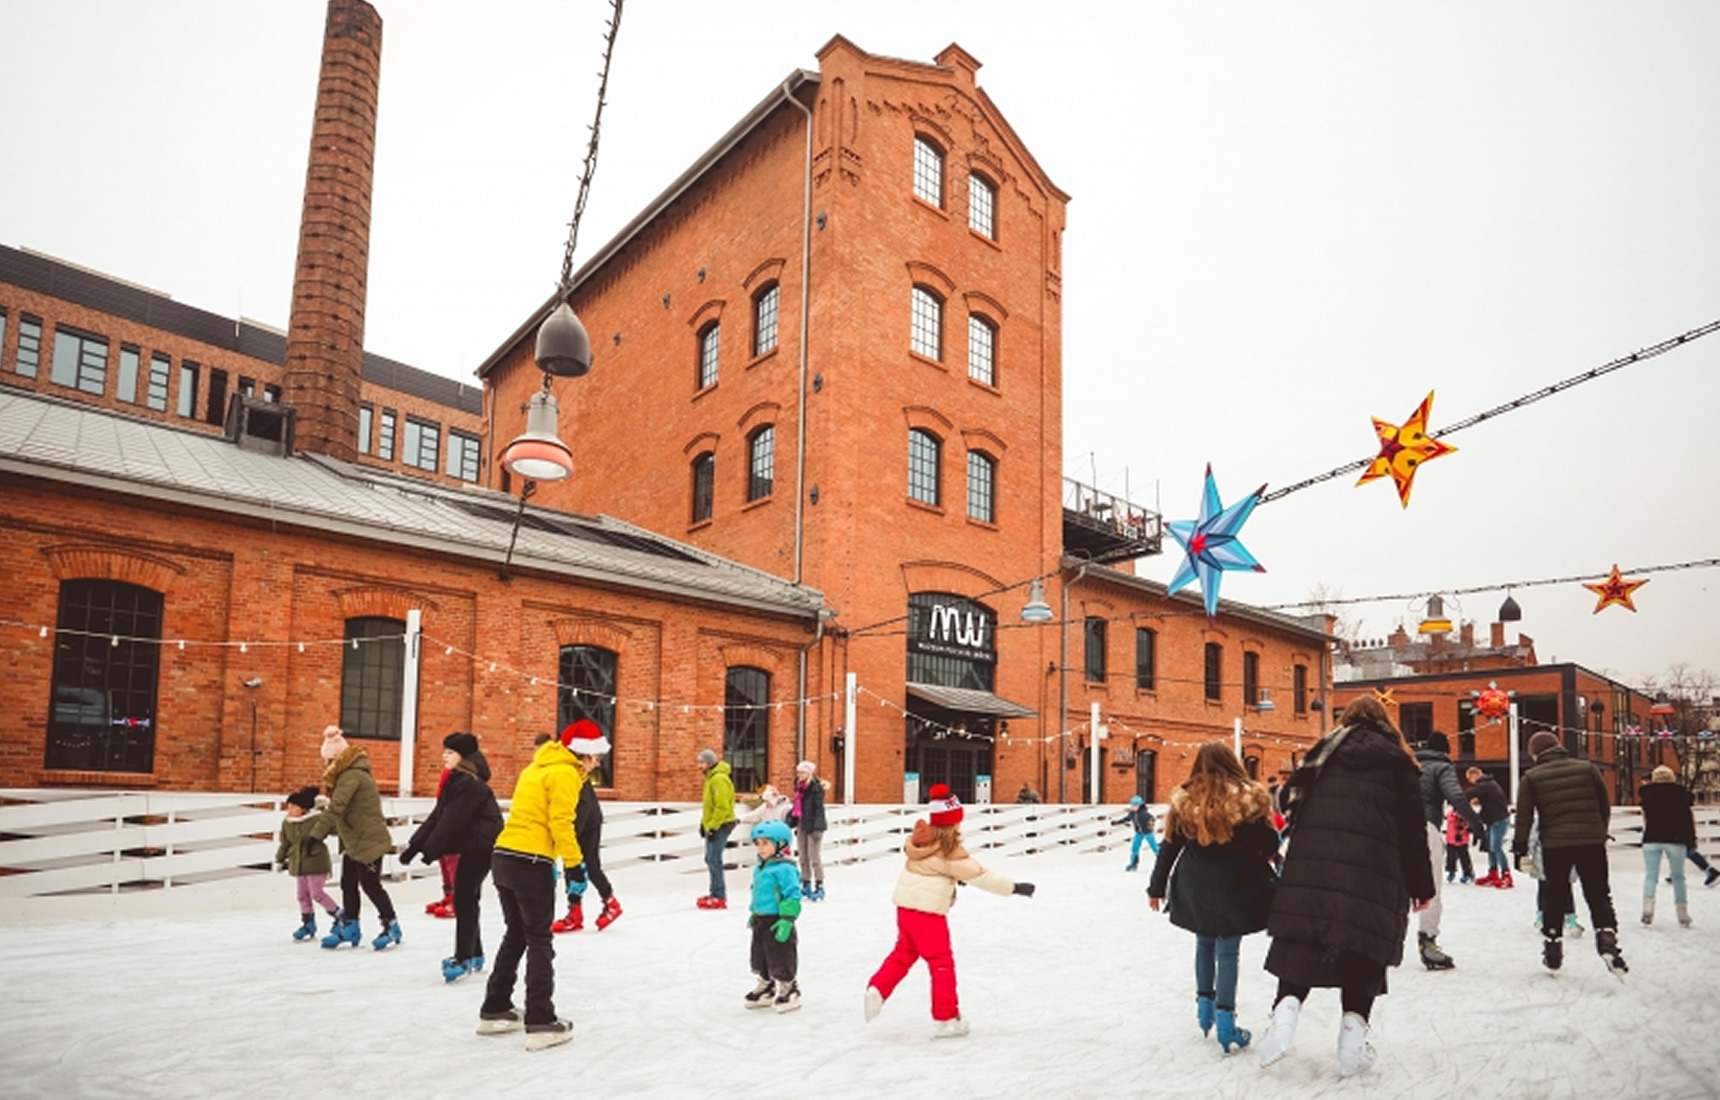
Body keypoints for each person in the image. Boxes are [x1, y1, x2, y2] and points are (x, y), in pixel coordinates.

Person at [1256, 697, 1433, 1078]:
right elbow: (1412, 831)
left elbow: (1287, 801)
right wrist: (1422, 885)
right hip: (1374, 871)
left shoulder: (1321, 756)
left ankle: (1283, 1017)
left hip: (1313, 868)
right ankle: (1353, 1039)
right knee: (1362, 947)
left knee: (1302, 941)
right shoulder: (1399, 764)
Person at [863, 784, 1035, 1038]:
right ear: (952, 823)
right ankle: (945, 1018)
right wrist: (1014, 888)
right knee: (941, 962)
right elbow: (981, 876)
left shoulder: (921, 841)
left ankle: (877, 988)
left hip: (906, 911)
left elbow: (933, 870)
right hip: (928, 914)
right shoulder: (950, 851)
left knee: (904, 953)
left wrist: (951, 879)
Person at [1146, 743, 1279, 1055]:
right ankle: (1226, 1021)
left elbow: (1169, 847)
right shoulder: (1251, 800)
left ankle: (1204, 1009)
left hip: (1196, 885)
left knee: (1204, 942)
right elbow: (1268, 843)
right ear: (1232, 763)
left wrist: (1156, 887)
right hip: (1238, 884)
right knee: (1228, 951)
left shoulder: (1185, 800)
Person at [476, 726, 587, 1050]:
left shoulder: (534, 768)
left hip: (504, 856)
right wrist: (574, 864)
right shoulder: (565, 773)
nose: (597, 764)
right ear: (586, 752)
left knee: (516, 934)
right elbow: (560, 821)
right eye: (596, 757)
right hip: (531, 861)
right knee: (539, 938)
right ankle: (540, 1020)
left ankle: (495, 1007)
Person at [1512, 731, 1627, 976]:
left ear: (1534, 754)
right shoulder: (1588, 769)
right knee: (1598, 893)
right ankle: (1607, 939)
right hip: (1591, 841)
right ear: (1558, 747)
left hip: (1555, 844)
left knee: (1555, 894)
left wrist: (1519, 849)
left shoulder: (1531, 777)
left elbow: (1524, 817)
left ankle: (1553, 950)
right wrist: (1599, 832)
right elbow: (1603, 805)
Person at [399, 732, 502, 982]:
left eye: (450, 752)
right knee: (467, 899)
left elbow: (450, 821)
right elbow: (437, 816)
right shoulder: (457, 781)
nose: (444, 756)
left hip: (480, 848)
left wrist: (429, 852)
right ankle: (474, 954)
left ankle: (464, 957)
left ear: (463, 757)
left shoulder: (470, 785)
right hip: (472, 846)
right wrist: (414, 847)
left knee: (464, 899)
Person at [310, 725, 401, 951]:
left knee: (370, 884)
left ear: (337, 758)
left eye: (329, 760)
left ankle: (391, 925)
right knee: (348, 882)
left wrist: (316, 834)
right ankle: (351, 926)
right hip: (354, 840)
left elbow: (338, 807)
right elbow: (345, 812)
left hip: (368, 840)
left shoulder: (352, 776)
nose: (326, 765)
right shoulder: (348, 775)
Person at [1413, 730, 1488, 969]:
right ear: (1445, 751)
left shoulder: (1407, 764)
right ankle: (1428, 941)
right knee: (1431, 886)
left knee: (1394, 887)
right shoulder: (1442, 767)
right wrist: (1476, 825)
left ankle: (1377, 943)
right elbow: (1455, 796)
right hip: (1425, 828)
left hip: (1395, 829)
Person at [551, 721, 622, 933]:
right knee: (577, 866)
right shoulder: (572, 772)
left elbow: (582, 809)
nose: (598, 764)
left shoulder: (575, 775)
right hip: (582, 824)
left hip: (587, 825)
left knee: (588, 866)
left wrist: (569, 843)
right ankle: (576, 912)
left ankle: (609, 903)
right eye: (597, 758)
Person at [742, 819, 805, 1013]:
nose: (760, 848)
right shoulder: (761, 867)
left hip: (778, 920)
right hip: (761, 919)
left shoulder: (785, 869)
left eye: (765, 843)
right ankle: (766, 985)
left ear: (781, 844)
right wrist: (754, 913)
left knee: (781, 954)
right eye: (758, 843)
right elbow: (758, 893)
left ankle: (789, 986)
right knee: (759, 955)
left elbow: (793, 895)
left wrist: (787, 920)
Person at [275, 784, 340, 942]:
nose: (289, 809)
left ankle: (340, 916)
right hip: (299, 864)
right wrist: (279, 859)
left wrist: (325, 809)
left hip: (316, 862)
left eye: (293, 806)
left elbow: (333, 828)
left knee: (316, 893)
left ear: (303, 809)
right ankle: (308, 924)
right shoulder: (287, 823)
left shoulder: (315, 820)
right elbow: (285, 843)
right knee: (302, 895)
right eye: (288, 806)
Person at [1639, 764, 1696, 928]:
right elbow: (1688, 819)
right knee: (1678, 877)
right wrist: (1691, 840)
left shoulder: (1647, 795)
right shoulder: (1681, 795)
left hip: (1652, 838)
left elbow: (1645, 819)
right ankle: (1682, 913)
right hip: (1676, 839)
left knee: (1651, 876)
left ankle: (1648, 908)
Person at [697, 748, 737, 909]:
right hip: (715, 824)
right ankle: (715, 891)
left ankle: (719, 896)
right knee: (710, 859)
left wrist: (713, 826)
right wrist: (704, 824)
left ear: (709, 763)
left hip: (721, 824)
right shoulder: (711, 779)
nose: (699, 766)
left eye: (701, 762)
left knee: (714, 859)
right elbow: (709, 806)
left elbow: (722, 806)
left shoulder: (719, 779)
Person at [1465, 766, 1512, 887]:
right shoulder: (1487, 785)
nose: (1470, 782)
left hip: (1499, 820)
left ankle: (1506, 875)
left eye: (1469, 779)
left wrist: (1456, 798)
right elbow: (1486, 806)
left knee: (1496, 848)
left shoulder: (1486, 785)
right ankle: (1493, 873)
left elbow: (1470, 793)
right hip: (1493, 820)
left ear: (1474, 775)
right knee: (1490, 848)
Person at [790, 760, 828, 901]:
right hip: (802, 824)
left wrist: (818, 828)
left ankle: (819, 884)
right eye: (799, 772)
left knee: (814, 857)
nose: (800, 775)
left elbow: (819, 809)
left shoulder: (815, 788)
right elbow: (796, 808)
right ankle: (806, 882)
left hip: (813, 826)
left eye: (802, 772)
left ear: (809, 773)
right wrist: (791, 820)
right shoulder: (799, 788)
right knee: (803, 856)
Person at [1114, 795, 1157, 871]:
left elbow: (1152, 819)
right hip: (1138, 833)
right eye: (1132, 805)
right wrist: (1118, 822)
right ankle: (1133, 864)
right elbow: (1126, 819)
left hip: (1147, 833)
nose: (1133, 807)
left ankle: (1163, 862)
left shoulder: (1144, 813)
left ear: (1140, 806)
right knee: (1135, 848)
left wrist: (1150, 826)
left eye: (1135, 805)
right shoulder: (1132, 814)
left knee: (1154, 847)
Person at [1443, 807, 1475, 884]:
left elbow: (1471, 825)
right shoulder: (1450, 814)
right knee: (1451, 858)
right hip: (1451, 840)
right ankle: (1451, 872)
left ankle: (1468, 874)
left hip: (1462, 841)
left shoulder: (1466, 814)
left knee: (1464, 858)